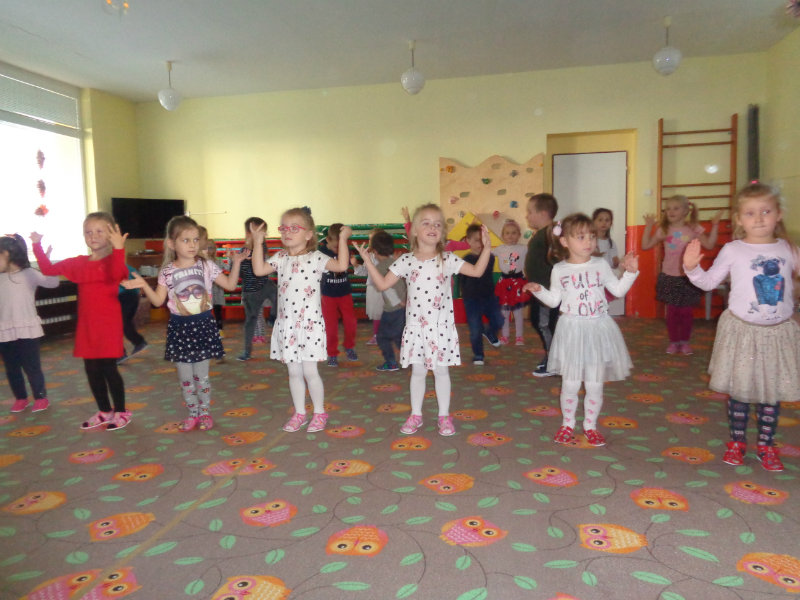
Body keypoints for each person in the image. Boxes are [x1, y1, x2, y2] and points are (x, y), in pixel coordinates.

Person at [683, 183, 798, 472]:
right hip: (742, 333)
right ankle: (737, 442)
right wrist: (691, 268)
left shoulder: (788, 249)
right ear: (738, 219)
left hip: (777, 335)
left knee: (771, 392)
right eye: (750, 213)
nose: (758, 218)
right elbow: (709, 282)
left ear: (779, 214)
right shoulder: (733, 250)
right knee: (740, 390)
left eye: (765, 211)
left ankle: (766, 444)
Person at [354, 203, 492, 437]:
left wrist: (487, 248)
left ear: (442, 232)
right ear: (415, 230)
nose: (432, 227)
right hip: (417, 329)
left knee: (441, 372)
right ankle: (416, 414)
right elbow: (383, 284)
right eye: (426, 223)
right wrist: (368, 261)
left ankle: (444, 416)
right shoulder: (406, 260)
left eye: (437, 224)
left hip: (440, 328)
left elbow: (477, 271)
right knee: (418, 373)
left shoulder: (447, 259)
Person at [523, 213, 639, 447]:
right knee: (571, 383)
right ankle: (567, 424)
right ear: (564, 241)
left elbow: (617, 291)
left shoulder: (600, 264)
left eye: (592, 236)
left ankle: (590, 426)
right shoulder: (559, 270)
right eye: (581, 237)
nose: (589, 242)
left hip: (597, 329)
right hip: (572, 331)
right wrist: (538, 290)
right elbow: (554, 301)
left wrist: (630, 273)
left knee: (594, 383)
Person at [124, 215, 243, 432]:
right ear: (172, 243)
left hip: (203, 325)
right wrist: (144, 285)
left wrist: (236, 263)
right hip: (180, 328)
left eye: (196, 240)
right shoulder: (167, 271)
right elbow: (158, 301)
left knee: (202, 376)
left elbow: (230, 285)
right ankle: (193, 413)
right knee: (185, 378)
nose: (192, 245)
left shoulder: (206, 265)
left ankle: (205, 412)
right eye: (185, 240)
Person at [250, 208, 352, 433]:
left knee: (310, 372)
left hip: (309, 325)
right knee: (294, 373)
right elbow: (258, 269)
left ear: (308, 234)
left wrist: (343, 240)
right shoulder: (281, 257)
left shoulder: (316, 257)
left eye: (294, 228)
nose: (287, 232)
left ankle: (319, 412)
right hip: (287, 326)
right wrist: (257, 242)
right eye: (284, 228)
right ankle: (299, 413)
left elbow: (341, 266)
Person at [32, 212, 132, 430]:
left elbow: (119, 274)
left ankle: (122, 411)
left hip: (108, 326)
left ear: (111, 234)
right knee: (91, 369)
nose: (93, 236)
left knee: (109, 369)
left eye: (99, 231)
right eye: (88, 232)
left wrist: (118, 249)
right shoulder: (79, 263)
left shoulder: (113, 261)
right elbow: (48, 269)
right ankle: (105, 411)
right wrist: (37, 246)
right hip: (87, 327)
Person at [641, 195, 721, 355]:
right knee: (672, 312)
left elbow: (709, 244)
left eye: (676, 208)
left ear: (685, 211)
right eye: (668, 209)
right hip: (669, 276)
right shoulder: (664, 229)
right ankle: (673, 342)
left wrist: (715, 226)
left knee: (685, 312)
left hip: (688, 278)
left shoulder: (693, 228)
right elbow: (645, 245)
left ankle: (684, 342)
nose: (671, 212)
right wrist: (649, 226)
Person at [0, 234, 59, 413]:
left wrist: (46, 263)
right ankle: (21, 398)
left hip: (27, 330)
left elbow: (53, 283)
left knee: (32, 366)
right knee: (12, 368)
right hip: (5, 330)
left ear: (7, 254)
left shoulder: (29, 273)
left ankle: (41, 397)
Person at [524, 193, 559, 376]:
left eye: (530, 212)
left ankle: (554, 361)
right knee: (541, 322)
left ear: (543, 213)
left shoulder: (551, 234)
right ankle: (553, 356)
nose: (527, 216)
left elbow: (558, 259)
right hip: (540, 291)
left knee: (543, 323)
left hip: (547, 291)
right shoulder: (544, 233)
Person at [460, 223, 503, 365]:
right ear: (468, 241)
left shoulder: (490, 257)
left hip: (489, 297)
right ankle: (478, 354)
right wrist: (463, 294)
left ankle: (489, 332)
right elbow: (462, 279)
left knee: (499, 320)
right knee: (475, 329)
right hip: (472, 299)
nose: (480, 244)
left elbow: (487, 275)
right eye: (476, 240)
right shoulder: (466, 259)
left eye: (482, 240)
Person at [237, 217, 278, 361]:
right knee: (251, 320)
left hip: (264, 284)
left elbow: (262, 258)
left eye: (264, 233)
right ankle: (247, 351)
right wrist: (240, 261)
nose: (262, 236)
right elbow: (240, 273)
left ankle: (272, 316)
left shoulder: (262, 246)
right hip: (251, 292)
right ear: (248, 233)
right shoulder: (243, 251)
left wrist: (257, 246)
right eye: (259, 232)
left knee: (278, 294)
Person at [319, 223, 358, 366]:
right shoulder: (321, 253)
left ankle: (349, 346)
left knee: (351, 323)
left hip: (344, 293)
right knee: (330, 327)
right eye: (336, 246)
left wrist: (356, 263)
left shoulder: (346, 249)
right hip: (328, 295)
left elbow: (353, 266)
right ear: (328, 240)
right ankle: (332, 353)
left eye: (341, 245)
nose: (339, 249)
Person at [370, 229, 406, 371]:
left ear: (375, 251)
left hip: (393, 309)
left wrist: (398, 302)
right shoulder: (396, 262)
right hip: (402, 307)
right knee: (399, 336)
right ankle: (409, 358)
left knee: (382, 337)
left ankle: (391, 362)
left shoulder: (379, 268)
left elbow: (387, 288)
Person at [493, 218, 530, 345]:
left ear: (519, 235)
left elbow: (535, 251)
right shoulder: (499, 249)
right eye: (507, 233)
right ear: (502, 236)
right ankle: (505, 336)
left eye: (514, 233)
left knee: (518, 312)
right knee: (504, 312)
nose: (510, 236)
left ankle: (519, 336)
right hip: (504, 283)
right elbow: (486, 253)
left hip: (517, 283)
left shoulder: (523, 248)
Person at [351, 228, 384, 346]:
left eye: (373, 239)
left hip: (384, 288)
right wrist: (355, 264)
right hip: (372, 288)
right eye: (370, 239)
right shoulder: (368, 255)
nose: (370, 242)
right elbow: (365, 271)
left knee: (384, 313)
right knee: (376, 314)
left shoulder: (386, 255)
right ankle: (377, 335)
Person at [116, 264, 148, 364]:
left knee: (116, 325)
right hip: (133, 297)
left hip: (123, 297)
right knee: (125, 323)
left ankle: (120, 354)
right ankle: (139, 342)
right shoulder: (128, 267)